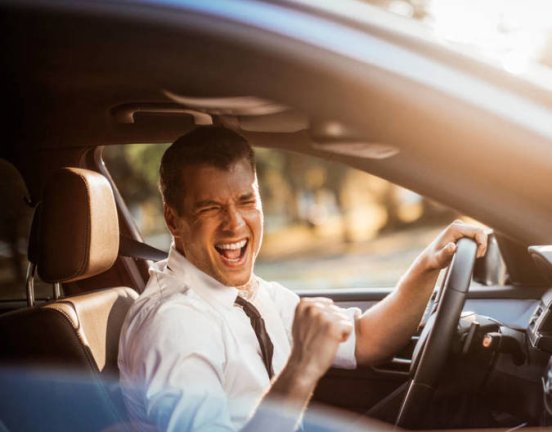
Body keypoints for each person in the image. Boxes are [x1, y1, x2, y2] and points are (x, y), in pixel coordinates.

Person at [118, 126, 488, 431]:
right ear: (173, 221)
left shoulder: (249, 293)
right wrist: (303, 366)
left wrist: (428, 264)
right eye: (211, 208)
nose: (235, 223)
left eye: (246, 202)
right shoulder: (175, 324)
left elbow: (364, 340)